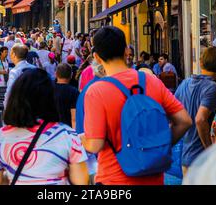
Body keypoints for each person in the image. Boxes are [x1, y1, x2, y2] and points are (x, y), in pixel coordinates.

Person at [82, 26, 192, 186]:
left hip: (114, 179)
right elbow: (185, 121)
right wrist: (159, 145)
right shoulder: (151, 80)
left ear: (97, 57)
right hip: (153, 177)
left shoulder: (96, 91)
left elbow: (95, 144)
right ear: (126, 50)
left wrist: (82, 139)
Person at [0, 69, 89, 185]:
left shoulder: (0, 137)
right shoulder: (66, 134)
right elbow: (81, 181)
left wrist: (9, 176)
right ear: (50, 98)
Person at [175, 46, 216, 175]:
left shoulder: (185, 83)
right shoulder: (212, 87)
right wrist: (210, 151)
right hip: (202, 161)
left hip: (186, 158)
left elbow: (172, 116)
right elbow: (200, 119)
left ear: (201, 63)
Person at [54, 63, 79, 129]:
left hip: (51, 132)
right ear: (71, 75)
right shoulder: (74, 92)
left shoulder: (48, 89)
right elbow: (74, 118)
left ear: (56, 74)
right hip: (67, 131)